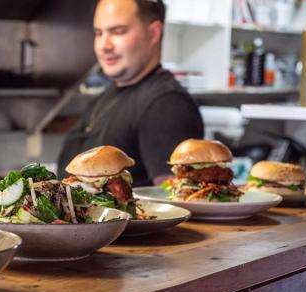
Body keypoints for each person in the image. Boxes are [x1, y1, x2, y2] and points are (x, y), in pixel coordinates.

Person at [56, 0, 204, 187]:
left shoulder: (167, 104)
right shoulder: (111, 93)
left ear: (153, 33)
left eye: (118, 31)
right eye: (99, 33)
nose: (104, 45)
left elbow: (176, 199)